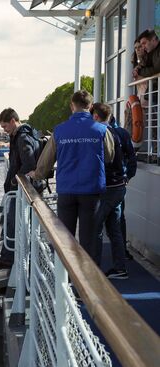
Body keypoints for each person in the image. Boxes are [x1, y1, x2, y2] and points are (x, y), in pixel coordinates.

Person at [29, 90, 114, 259]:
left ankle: (64, 279)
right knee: (89, 238)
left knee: (65, 238)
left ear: (72, 106)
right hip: (91, 189)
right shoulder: (102, 130)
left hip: (67, 189)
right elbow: (109, 156)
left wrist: (37, 174)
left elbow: (46, 161)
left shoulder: (59, 131)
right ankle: (89, 280)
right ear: (90, 107)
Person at [0, 108, 42, 269]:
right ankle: (18, 255)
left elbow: (29, 163)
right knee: (20, 223)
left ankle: (8, 259)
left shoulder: (21, 138)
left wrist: (15, 182)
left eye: (5, 126)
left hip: (21, 190)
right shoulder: (28, 134)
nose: (4, 130)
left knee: (12, 222)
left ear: (13, 121)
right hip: (29, 187)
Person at [90, 103, 129, 279]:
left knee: (95, 228)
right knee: (114, 228)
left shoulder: (100, 134)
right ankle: (120, 268)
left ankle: (94, 270)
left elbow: (102, 161)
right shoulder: (119, 133)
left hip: (108, 188)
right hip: (119, 186)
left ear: (96, 117)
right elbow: (129, 158)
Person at [108, 115, 137, 260]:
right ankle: (122, 254)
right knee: (118, 219)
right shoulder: (123, 133)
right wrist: (127, 177)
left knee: (96, 220)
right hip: (119, 183)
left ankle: (92, 258)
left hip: (105, 184)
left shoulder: (99, 131)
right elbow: (132, 157)